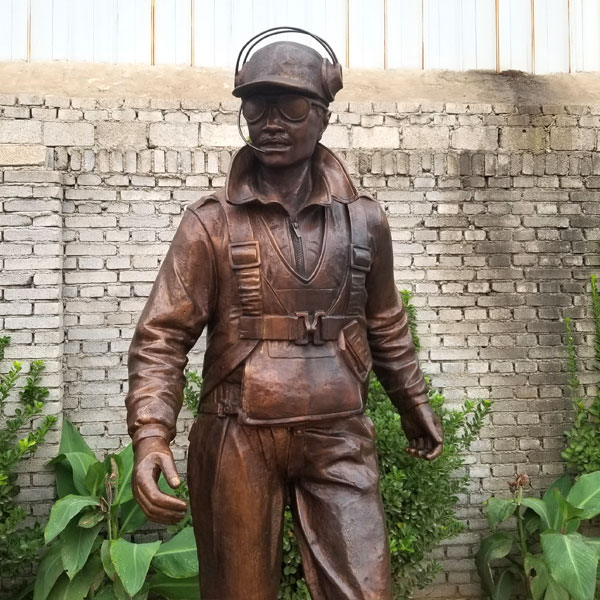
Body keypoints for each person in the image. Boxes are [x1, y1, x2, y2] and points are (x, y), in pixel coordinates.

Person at [126, 27, 443, 600]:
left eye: (290, 106)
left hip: (338, 429)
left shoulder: (364, 221)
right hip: (237, 432)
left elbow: (386, 321)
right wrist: (151, 437)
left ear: (322, 114)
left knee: (365, 590)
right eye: (256, 106)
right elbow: (161, 338)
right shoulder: (211, 224)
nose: (270, 122)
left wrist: (413, 401)